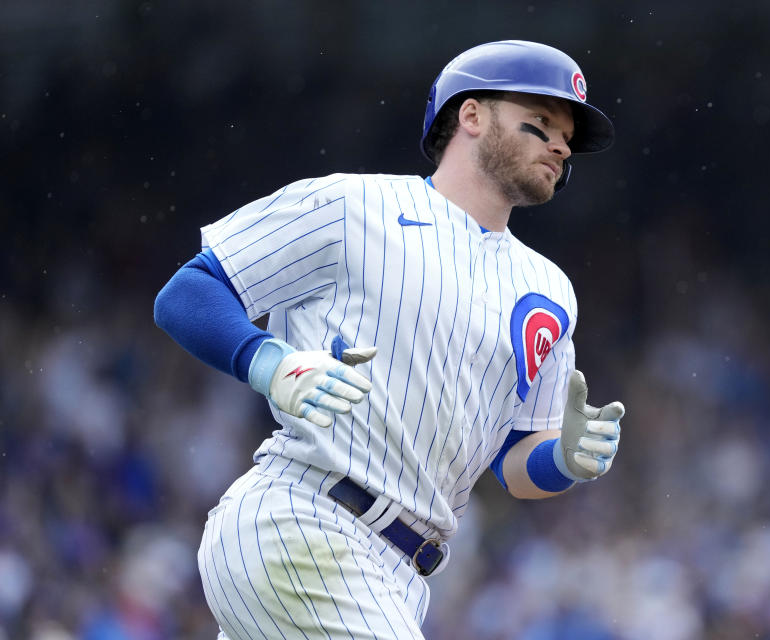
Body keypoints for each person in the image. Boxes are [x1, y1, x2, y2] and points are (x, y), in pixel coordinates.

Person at [154, 39, 625, 640]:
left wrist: (563, 459)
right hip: (305, 521)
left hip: (401, 572)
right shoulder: (354, 205)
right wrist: (271, 363)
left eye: (568, 137)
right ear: (472, 115)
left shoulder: (550, 290)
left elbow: (513, 464)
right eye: (541, 122)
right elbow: (188, 294)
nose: (561, 144)